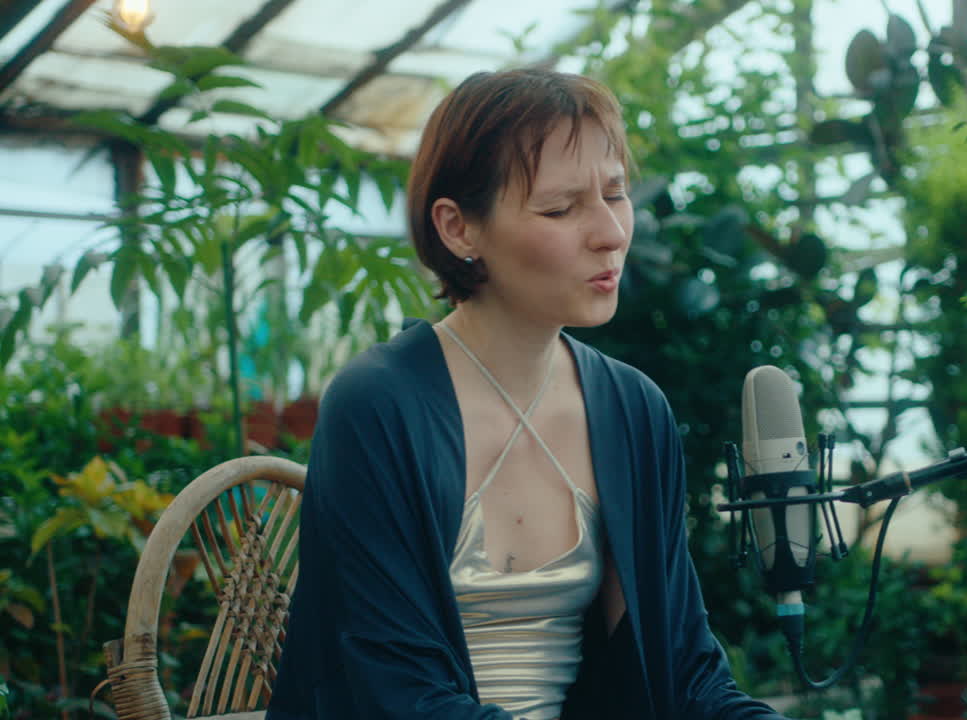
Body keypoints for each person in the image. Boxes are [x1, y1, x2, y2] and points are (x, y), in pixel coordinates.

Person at [267, 68, 786, 720]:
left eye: (616, 193)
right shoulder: (378, 407)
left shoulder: (633, 411)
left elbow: (684, 672)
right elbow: (395, 694)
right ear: (459, 229)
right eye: (561, 208)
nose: (611, 232)